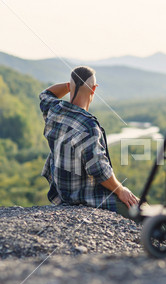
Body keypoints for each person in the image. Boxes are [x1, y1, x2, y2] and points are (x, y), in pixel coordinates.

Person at [39, 66, 138, 218]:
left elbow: (46, 93)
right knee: (145, 211)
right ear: (94, 89)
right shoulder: (88, 126)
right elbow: (98, 169)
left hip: (60, 194)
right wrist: (121, 190)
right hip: (85, 197)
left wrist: (71, 85)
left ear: (69, 86)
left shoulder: (54, 110)